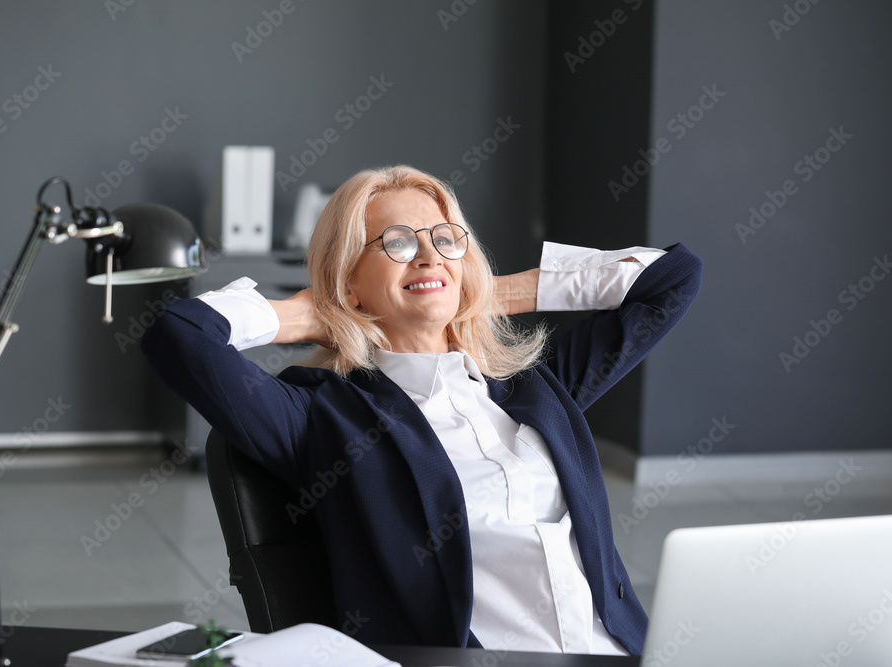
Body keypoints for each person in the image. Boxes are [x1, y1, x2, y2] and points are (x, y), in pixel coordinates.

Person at [141, 165, 702, 655]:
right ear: (350, 282)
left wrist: (494, 292)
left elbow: (673, 280)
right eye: (397, 243)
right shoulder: (324, 416)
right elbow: (180, 335)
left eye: (445, 239)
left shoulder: (535, 387)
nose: (429, 253)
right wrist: (307, 313)